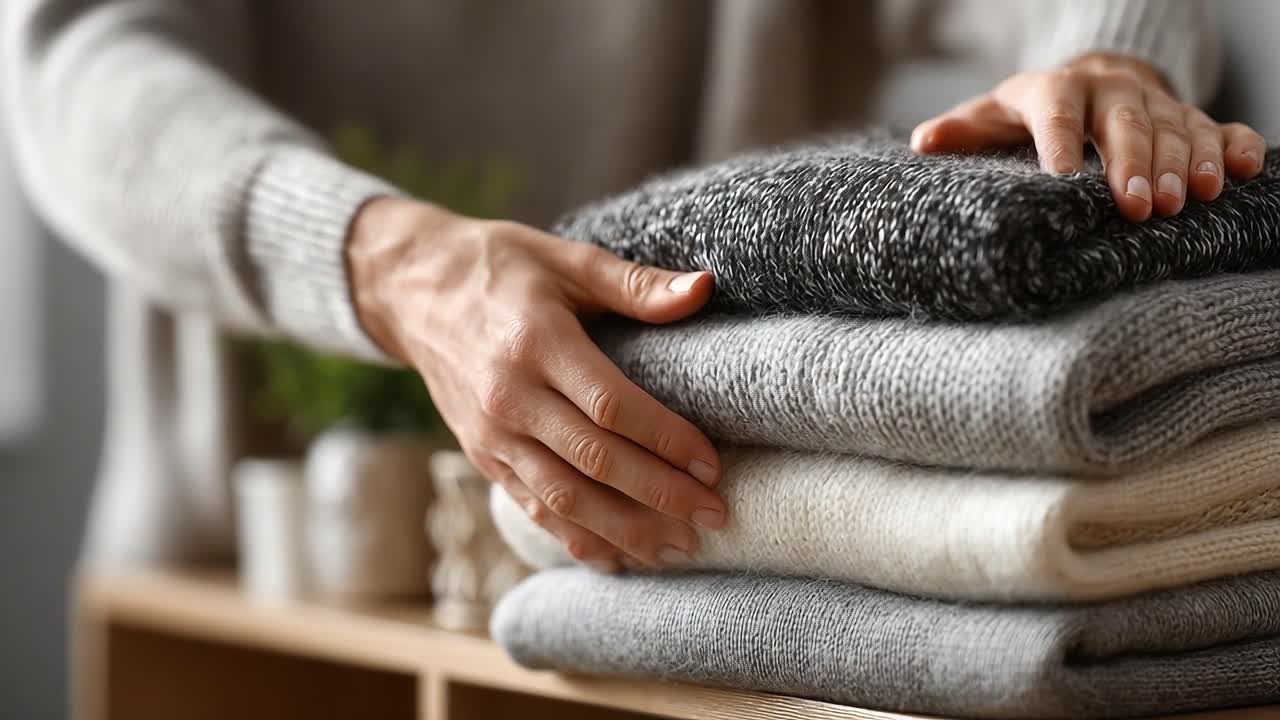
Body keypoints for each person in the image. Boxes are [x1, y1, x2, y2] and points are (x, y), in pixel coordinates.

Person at [4, 0, 1264, 573]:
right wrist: (392, 264)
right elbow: (79, 63)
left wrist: (1109, 60)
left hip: (702, 560)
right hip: (250, 585)